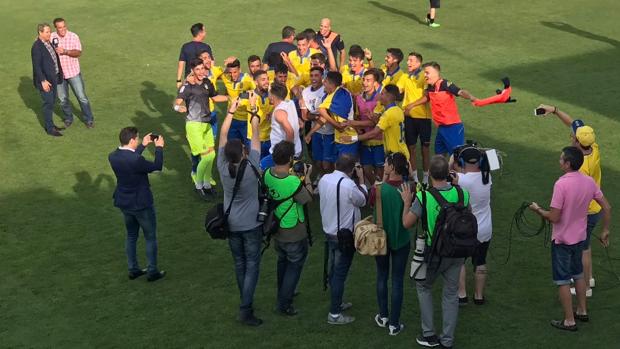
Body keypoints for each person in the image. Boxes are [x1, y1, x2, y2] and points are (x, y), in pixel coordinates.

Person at [529, 146, 611, 332]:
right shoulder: (589, 182)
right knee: (579, 274)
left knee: (563, 280)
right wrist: (605, 230)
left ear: (567, 164)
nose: (559, 162)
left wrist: (537, 210)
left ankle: (569, 320)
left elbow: (554, 217)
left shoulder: (561, 184)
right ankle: (582, 310)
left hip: (562, 240)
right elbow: (607, 207)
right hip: (580, 238)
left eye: (561, 159)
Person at [401, 155, 470, 348]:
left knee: (423, 287)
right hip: (457, 252)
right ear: (448, 174)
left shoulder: (424, 197)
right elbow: (468, 219)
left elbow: (406, 223)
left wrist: (407, 202)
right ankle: (447, 340)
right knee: (450, 294)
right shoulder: (463, 194)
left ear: (429, 173)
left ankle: (429, 334)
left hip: (433, 253)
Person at [538, 104, 602, 298]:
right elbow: (573, 124)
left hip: (586, 211)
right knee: (586, 247)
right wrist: (555, 110)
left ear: (576, 141)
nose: (571, 135)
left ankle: (586, 286)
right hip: (595, 207)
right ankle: (588, 279)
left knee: (581, 248)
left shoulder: (579, 166)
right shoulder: (593, 147)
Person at [217, 95, 264, 326]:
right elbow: (256, 137)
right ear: (244, 152)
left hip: (231, 224)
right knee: (252, 265)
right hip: (252, 225)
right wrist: (254, 113)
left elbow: (223, 135)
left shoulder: (222, 166)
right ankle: (246, 307)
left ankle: (246, 301)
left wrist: (230, 112)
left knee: (239, 264)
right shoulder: (252, 165)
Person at [108, 127, 166, 282]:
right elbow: (157, 166)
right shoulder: (136, 160)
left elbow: (131, 161)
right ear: (132, 140)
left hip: (124, 202)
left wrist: (143, 146)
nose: (140, 140)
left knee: (131, 236)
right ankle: (152, 271)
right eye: (138, 139)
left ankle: (133, 268)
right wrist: (159, 148)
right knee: (150, 237)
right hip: (141, 203)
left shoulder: (112, 156)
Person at [263, 141, 314, 316]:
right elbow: (307, 199)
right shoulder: (293, 181)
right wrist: (306, 178)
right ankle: (285, 302)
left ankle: (282, 291)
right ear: (291, 159)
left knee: (282, 261)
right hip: (293, 230)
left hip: (276, 228)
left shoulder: (267, 174)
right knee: (294, 265)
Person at [318, 154, 367, 325]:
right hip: (344, 237)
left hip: (329, 231)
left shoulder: (324, 179)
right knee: (339, 274)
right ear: (352, 169)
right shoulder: (349, 185)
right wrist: (361, 181)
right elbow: (362, 200)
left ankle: (336, 302)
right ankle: (335, 314)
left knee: (334, 270)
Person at [173, 58, 228, 199]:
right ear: (192, 71)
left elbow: (215, 98)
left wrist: (231, 98)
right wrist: (179, 108)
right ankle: (199, 186)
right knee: (206, 156)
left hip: (206, 123)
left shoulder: (207, 83)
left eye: (202, 68)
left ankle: (207, 185)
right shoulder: (187, 86)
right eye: (197, 69)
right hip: (194, 125)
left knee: (212, 155)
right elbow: (176, 103)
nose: (201, 71)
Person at [371, 153, 411, 336]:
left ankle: (384, 315)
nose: (384, 165)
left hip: (381, 241)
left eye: (387, 163)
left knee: (382, 276)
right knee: (397, 281)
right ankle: (394, 324)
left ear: (393, 168)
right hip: (401, 241)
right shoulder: (410, 188)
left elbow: (371, 202)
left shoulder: (379, 189)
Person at [451, 144, 492, 306]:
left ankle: (462, 295)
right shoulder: (487, 177)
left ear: (461, 161)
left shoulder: (461, 179)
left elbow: (442, 173)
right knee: (480, 261)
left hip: (466, 228)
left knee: (460, 261)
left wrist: (451, 161)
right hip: (485, 228)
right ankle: (479, 296)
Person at [409, 62, 478, 156]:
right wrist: (412, 105)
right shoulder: (431, 87)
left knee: (457, 157)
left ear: (436, 73)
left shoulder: (445, 84)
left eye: (427, 72)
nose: (424, 75)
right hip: (441, 128)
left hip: (453, 127)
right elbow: (428, 97)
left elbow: (460, 91)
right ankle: (442, 171)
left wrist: (472, 97)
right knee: (439, 156)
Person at [341, 85, 409, 161]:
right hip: (403, 152)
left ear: (389, 97)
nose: (379, 96)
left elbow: (374, 133)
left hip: (396, 156)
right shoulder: (398, 110)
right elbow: (388, 126)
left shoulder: (388, 114)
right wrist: (374, 119)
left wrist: (352, 138)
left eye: (382, 94)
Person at [50, 18, 95, 128]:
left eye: (64, 26)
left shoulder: (73, 36)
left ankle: (89, 119)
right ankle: (68, 118)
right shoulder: (51, 37)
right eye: (60, 27)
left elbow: (78, 52)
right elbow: (41, 41)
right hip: (59, 75)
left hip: (73, 72)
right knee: (62, 99)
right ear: (56, 28)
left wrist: (65, 51)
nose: (62, 29)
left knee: (81, 97)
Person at [346, 69, 384, 184]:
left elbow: (374, 123)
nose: (365, 83)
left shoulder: (380, 98)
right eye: (364, 80)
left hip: (378, 140)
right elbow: (357, 116)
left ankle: (377, 191)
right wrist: (357, 128)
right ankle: (375, 189)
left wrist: (352, 123)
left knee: (379, 169)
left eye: (368, 80)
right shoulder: (358, 98)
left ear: (375, 83)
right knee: (366, 169)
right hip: (364, 139)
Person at [31, 23, 68, 136]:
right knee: (48, 104)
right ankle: (49, 129)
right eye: (47, 32)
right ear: (40, 33)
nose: (49, 34)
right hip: (46, 81)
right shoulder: (37, 47)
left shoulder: (48, 42)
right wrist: (43, 81)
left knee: (51, 102)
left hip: (54, 78)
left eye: (49, 31)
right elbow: (36, 66)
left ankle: (51, 125)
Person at [400, 52, 432, 185]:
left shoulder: (424, 77)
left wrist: (411, 105)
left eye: (411, 61)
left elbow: (427, 97)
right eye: (408, 60)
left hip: (423, 118)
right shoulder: (404, 77)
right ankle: (415, 179)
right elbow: (397, 91)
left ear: (419, 63)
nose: (408, 63)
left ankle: (425, 178)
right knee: (411, 147)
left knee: (425, 148)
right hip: (408, 118)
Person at [259, 83, 302, 170]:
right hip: (296, 150)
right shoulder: (289, 102)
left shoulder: (279, 113)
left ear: (272, 97)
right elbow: (299, 123)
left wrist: (287, 154)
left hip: (281, 154)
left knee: (261, 167)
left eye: (269, 93)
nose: (268, 95)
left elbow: (290, 132)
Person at [301, 67, 334, 176]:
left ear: (322, 77)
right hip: (316, 132)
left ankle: (330, 181)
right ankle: (322, 179)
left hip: (329, 132)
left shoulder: (326, 90)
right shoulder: (305, 91)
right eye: (311, 76)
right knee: (317, 161)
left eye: (316, 75)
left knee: (327, 163)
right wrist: (316, 116)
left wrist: (314, 116)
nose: (313, 78)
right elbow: (305, 116)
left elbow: (325, 115)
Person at [318, 72, 357, 158]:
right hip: (339, 138)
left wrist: (336, 125)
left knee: (345, 168)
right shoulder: (332, 94)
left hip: (348, 138)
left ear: (331, 84)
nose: (323, 83)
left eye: (326, 81)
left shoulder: (340, 95)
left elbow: (341, 125)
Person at [222, 58, 256, 141]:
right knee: (232, 146)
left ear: (240, 70)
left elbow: (257, 93)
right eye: (230, 72)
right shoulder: (225, 77)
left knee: (248, 146)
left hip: (246, 119)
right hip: (232, 118)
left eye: (235, 72)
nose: (232, 75)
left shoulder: (247, 80)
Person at [246, 70, 274, 160]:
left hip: (269, 138)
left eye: (267, 79)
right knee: (255, 166)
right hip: (254, 139)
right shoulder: (250, 96)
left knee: (268, 168)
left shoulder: (272, 96)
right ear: (255, 82)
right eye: (263, 80)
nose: (267, 82)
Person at [177, 23, 213, 88]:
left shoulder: (185, 46)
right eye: (204, 31)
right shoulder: (206, 47)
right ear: (200, 33)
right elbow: (211, 64)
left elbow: (181, 64)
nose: (205, 32)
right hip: (202, 79)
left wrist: (179, 80)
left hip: (189, 80)